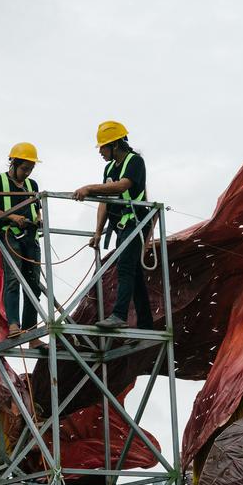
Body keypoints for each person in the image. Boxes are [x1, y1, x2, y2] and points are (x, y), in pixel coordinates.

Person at [72, 121, 154, 331]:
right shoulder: (109, 168)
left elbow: (123, 185)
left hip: (136, 222)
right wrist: (98, 232)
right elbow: (105, 201)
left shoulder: (135, 162)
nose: (100, 151)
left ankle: (118, 315)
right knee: (133, 272)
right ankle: (146, 323)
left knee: (125, 267)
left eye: (103, 147)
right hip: (121, 225)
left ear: (115, 145)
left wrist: (89, 188)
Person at [0, 142, 44, 339]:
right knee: (13, 280)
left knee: (33, 284)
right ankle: (14, 324)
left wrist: (38, 218)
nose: (27, 173)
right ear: (14, 164)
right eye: (25, 168)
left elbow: (37, 207)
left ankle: (31, 333)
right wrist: (11, 217)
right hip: (10, 237)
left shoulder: (32, 185)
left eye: (31, 169)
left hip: (30, 239)